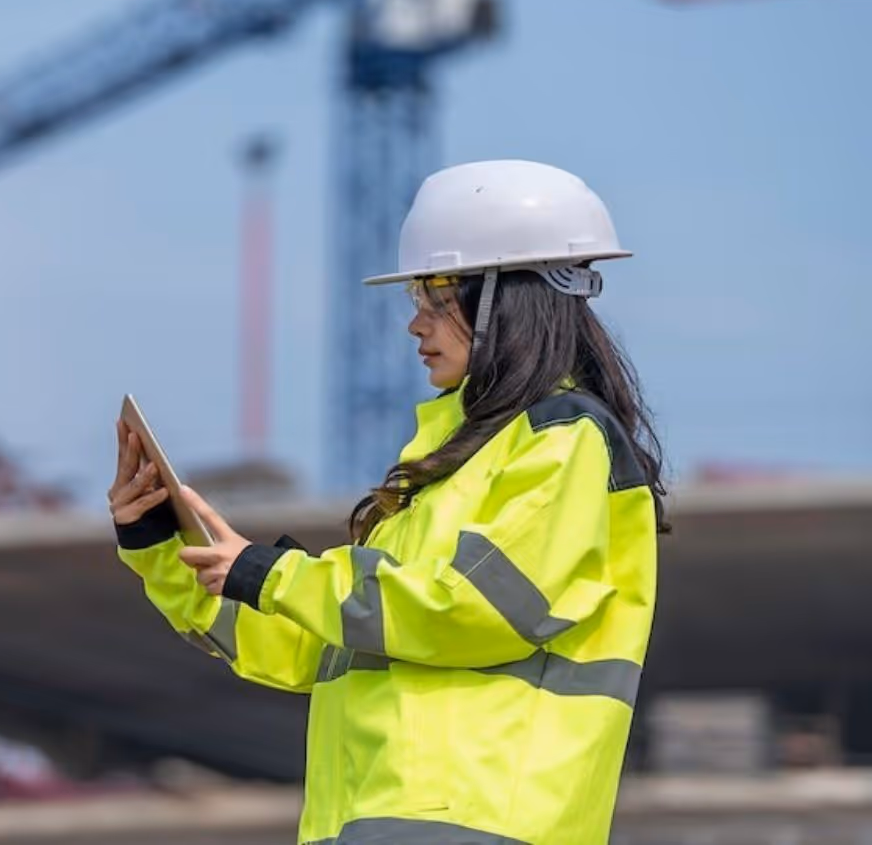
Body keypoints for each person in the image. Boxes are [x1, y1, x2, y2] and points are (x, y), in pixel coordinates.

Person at [109, 159, 666, 845]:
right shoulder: (447, 466)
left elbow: (472, 609)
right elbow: (312, 646)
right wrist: (165, 546)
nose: (416, 325)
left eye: (436, 298)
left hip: (480, 818)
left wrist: (271, 573)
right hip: (387, 818)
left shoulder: (562, 438)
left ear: (508, 299)